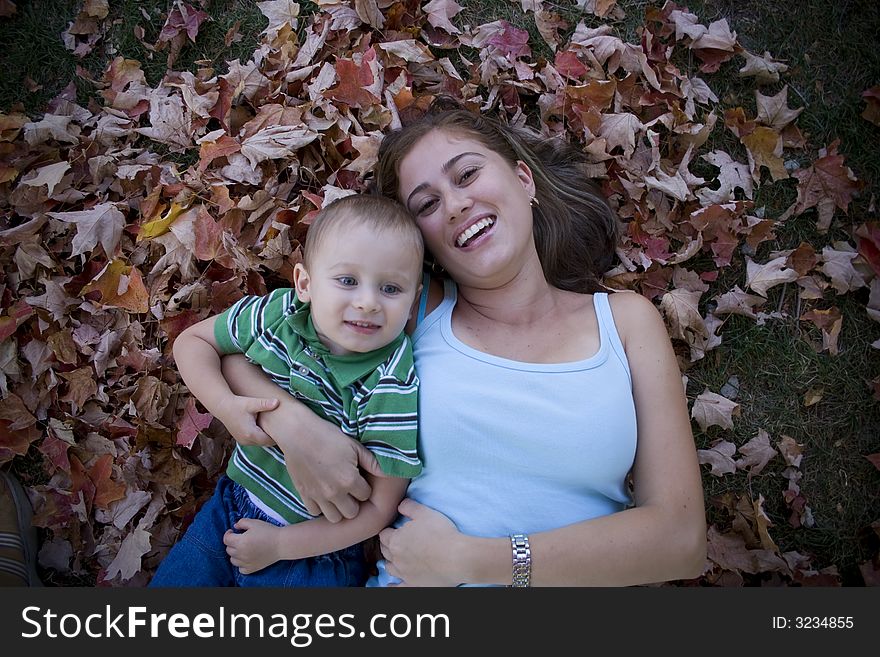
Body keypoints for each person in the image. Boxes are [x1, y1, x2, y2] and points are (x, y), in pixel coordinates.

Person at [219, 97, 707, 587]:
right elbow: (242, 354)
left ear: (524, 180)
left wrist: (476, 561)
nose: (455, 205)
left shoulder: (624, 323)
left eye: (468, 175)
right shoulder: (408, 312)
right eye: (427, 204)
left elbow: (680, 541)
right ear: (419, 245)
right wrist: (289, 423)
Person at [150, 194, 424, 587]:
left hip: (313, 553)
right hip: (231, 507)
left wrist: (282, 545)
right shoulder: (278, 314)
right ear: (305, 284)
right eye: (347, 281)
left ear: (413, 303)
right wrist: (225, 406)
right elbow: (192, 343)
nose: (367, 302)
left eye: (391, 289)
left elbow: (380, 508)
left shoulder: (391, 382)